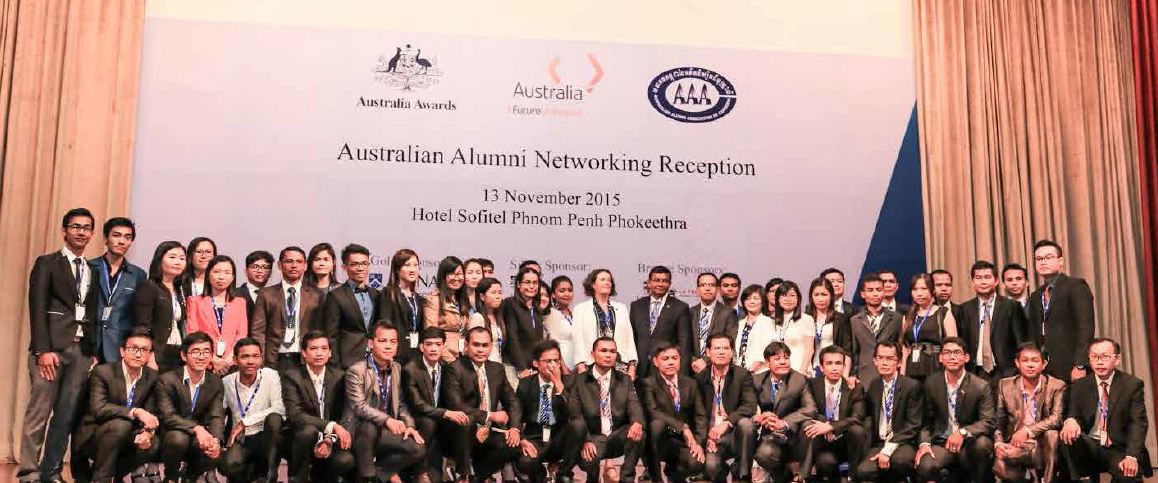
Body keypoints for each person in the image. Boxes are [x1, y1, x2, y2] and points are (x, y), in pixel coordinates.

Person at [70, 326, 160, 482]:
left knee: (153, 443)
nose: (138, 354)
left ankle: (115, 476)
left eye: (144, 350)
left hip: (127, 433)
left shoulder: (152, 377)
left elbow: (150, 411)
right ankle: (101, 479)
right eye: (133, 348)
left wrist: (147, 432)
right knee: (121, 426)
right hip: (95, 433)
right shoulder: (103, 372)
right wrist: (135, 412)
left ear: (150, 355)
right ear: (122, 351)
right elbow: (99, 409)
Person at [1060, 337, 1151, 482]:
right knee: (1069, 434)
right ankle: (1083, 477)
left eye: (1105, 357)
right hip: (1089, 446)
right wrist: (1070, 420)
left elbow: (1138, 423)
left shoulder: (1131, 385)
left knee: (1128, 477)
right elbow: (1073, 413)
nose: (1099, 362)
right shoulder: (1079, 386)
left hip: (1117, 448)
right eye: (1094, 357)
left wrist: (1131, 456)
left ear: (1117, 359)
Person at [347, 323, 428, 482]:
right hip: (360, 429)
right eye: (383, 341)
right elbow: (359, 406)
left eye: (393, 341)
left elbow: (401, 403)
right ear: (371, 343)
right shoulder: (356, 370)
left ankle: (378, 473)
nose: (388, 346)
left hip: (386, 430)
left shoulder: (397, 368)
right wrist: (387, 420)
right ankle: (368, 478)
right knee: (369, 428)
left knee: (417, 448)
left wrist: (410, 426)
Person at [913, 337, 995, 483]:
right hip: (942, 442)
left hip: (969, 444)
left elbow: (988, 421)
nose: (952, 357)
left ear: (966, 357)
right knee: (925, 466)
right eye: (947, 352)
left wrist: (963, 433)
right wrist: (924, 443)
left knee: (983, 445)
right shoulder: (931, 383)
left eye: (957, 352)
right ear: (940, 358)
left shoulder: (980, 386)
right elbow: (925, 421)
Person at [444, 326, 522, 482]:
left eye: (485, 345)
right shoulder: (454, 369)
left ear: (491, 347)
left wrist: (514, 428)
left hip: (487, 431)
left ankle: (478, 474)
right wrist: (490, 415)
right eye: (476, 345)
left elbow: (513, 401)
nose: (481, 350)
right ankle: (463, 474)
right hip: (460, 433)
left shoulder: (497, 369)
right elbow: (456, 406)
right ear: (466, 346)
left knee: (515, 446)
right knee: (465, 421)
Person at [282, 330, 356, 482]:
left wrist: (329, 439)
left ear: (330, 353)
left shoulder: (339, 376)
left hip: (330, 439)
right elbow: (296, 415)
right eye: (313, 348)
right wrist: (330, 426)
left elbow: (343, 414)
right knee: (308, 432)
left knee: (346, 461)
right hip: (301, 440)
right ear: (304, 353)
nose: (319, 353)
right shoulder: (292, 376)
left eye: (324, 348)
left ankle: (321, 476)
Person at [155, 332, 225, 483]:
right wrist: (197, 428)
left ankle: (190, 477)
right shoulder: (167, 380)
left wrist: (216, 441)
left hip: (199, 437)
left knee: (214, 449)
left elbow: (216, 415)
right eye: (195, 352)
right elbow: (168, 416)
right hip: (172, 433)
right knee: (178, 439)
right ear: (184, 355)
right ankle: (171, 478)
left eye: (206, 352)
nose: (201, 356)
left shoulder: (215, 382)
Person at [403, 327, 471, 482]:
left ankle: (463, 474)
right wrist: (446, 413)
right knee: (429, 422)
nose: (434, 349)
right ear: (421, 347)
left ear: (443, 347)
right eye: (429, 344)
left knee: (462, 422)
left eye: (438, 344)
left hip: (440, 424)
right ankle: (420, 471)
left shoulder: (446, 368)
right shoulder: (410, 369)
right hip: (420, 422)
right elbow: (418, 405)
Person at [574, 338, 645, 483]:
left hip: (617, 434)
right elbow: (575, 415)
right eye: (603, 351)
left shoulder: (624, 379)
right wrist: (585, 440)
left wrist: (637, 422)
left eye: (612, 351)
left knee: (639, 434)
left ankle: (627, 479)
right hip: (593, 437)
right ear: (592, 354)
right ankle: (593, 479)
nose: (608, 355)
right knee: (589, 458)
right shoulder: (579, 381)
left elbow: (634, 405)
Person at [993, 342, 1065, 483]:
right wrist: (999, 444)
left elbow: (1056, 419)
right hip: (1016, 443)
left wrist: (1028, 431)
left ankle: (1047, 480)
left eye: (1035, 360)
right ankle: (1027, 478)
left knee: (1052, 434)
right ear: (1017, 363)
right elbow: (999, 421)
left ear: (1044, 364)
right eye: (1025, 360)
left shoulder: (1057, 385)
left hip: (1043, 444)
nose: (1030, 365)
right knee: (998, 466)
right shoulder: (1005, 385)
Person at [514, 340, 585, 483]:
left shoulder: (570, 382)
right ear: (536, 363)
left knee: (579, 425)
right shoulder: (525, 384)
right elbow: (516, 414)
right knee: (525, 462)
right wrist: (521, 439)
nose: (553, 365)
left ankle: (562, 472)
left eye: (556, 361)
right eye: (548, 361)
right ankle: (542, 475)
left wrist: (558, 384)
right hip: (536, 437)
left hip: (559, 437)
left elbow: (575, 413)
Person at [1027, 239, 1095, 382]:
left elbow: (1086, 328)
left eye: (1048, 257)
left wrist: (1080, 365)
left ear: (1061, 261)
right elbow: (1034, 333)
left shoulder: (1076, 286)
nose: (1043, 262)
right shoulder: (1036, 295)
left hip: (1071, 366)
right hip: (1045, 368)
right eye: (1039, 259)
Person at [219, 337, 287, 483]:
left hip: (266, 437)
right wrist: (218, 440)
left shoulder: (270, 376)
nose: (251, 361)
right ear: (235, 360)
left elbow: (280, 408)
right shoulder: (227, 382)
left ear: (261, 358)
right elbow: (219, 414)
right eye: (245, 356)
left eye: (255, 356)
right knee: (226, 465)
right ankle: (250, 475)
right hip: (242, 439)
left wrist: (245, 422)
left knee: (275, 418)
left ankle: (270, 477)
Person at [854, 341, 921, 483]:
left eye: (889, 358)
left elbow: (913, 425)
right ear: (875, 361)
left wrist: (888, 449)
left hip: (902, 442)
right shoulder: (874, 385)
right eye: (880, 358)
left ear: (899, 362)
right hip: (880, 442)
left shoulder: (911, 386)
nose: (884, 363)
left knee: (899, 462)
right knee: (863, 472)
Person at [639, 342, 707, 482]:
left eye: (674, 358)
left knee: (696, 463)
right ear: (655, 362)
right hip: (659, 441)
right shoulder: (648, 384)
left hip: (681, 442)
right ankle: (655, 477)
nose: (671, 362)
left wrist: (698, 444)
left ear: (680, 360)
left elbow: (700, 415)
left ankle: (675, 474)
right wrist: (683, 428)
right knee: (657, 425)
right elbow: (653, 412)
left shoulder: (690, 383)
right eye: (665, 359)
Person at [800, 345, 867, 483]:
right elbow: (810, 410)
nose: (835, 368)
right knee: (825, 461)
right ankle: (804, 476)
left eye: (838, 363)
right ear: (822, 367)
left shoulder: (854, 387)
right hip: (822, 442)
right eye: (829, 363)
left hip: (846, 441)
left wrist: (832, 426)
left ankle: (853, 477)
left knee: (857, 430)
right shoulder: (812, 385)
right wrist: (825, 424)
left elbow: (858, 417)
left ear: (844, 366)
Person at [695, 333, 757, 483]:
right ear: (708, 352)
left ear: (731, 352)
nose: (721, 352)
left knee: (746, 424)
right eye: (717, 348)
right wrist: (704, 438)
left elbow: (749, 406)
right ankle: (721, 472)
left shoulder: (742, 375)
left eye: (726, 348)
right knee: (711, 466)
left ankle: (742, 476)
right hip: (711, 437)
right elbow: (695, 414)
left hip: (734, 434)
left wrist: (727, 423)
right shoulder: (700, 378)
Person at [752, 341, 817, 483]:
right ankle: (785, 474)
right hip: (770, 437)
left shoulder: (799, 379)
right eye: (777, 358)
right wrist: (760, 417)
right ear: (767, 363)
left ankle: (803, 476)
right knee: (764, 454)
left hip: (794, 436)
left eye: (786, 358)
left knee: (809, 424)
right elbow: (747, 407)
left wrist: (785, 423)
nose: (783, 362)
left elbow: (810, 408)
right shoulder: (757, 380)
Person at [252, 246, 323, 371]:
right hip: (274, 358)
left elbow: (321, 331)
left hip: (305, 358)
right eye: (289, 261)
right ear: (279, 265)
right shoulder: (266, 294)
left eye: (299, 261)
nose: (294, 265)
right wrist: (260, 360)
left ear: (305, 266)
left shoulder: (316, 295)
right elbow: (258, 332)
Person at [90, 217, 148, 363]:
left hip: (118, 346)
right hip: (88, 344)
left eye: (127, 237)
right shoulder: (89, 267)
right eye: (116, 235)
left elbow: (137, 314)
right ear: (106, 239)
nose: (122, 241)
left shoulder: (138, 275)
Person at [959, 260, 1027, 380]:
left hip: (1006, 372)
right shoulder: (965, 309)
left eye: (987, 277)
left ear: (996, 281)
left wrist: (1018, 369)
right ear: (973, 282)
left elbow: (1021, 342)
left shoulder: (1011, 306)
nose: (983, 282)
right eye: (978, 278)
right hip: (974, 372)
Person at [186, 255, 248, 375]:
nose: (221, 277)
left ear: (233, 277)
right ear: (208, 275)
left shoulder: (240, 302)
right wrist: (212, 359)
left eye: (227, 272)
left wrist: (228, 361)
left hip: (232, 364)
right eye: (216, 272)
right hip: (203, 362)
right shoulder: (194, 301)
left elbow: (241, 335)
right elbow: (193, 334)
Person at [571, 269, 638, 377]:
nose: (607, 282)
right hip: (590, 365)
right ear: (593, 285)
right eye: (602, 279)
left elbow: (629, 338)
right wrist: (580, 365)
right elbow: (577, 339)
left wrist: (632, 365)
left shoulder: (621, 308)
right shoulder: (581, 309)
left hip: (619, 366)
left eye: (609, 280)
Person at [135, 241, 188, 372]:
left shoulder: (180, 290)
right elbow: (142, 325)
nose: (178, 262)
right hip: (158, 352)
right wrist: (149, 355)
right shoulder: (149, 287)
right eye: (172, 257)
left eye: (182, 259)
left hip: (178, 352)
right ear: (160, 260)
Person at [324, 244, 379, 369]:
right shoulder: (336, 296)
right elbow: (331, 335)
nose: (360, 268)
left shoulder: (376, 294)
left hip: (375, 362)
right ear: (344, 267)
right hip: (348, 362)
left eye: (364, 263)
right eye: (355, 264)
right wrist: (335, 365)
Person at [629, 266, 691, 379]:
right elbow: (631, 339)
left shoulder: (680, 307)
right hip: (640, 369)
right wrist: (631, 366)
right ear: (649, 283)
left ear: (670, 284)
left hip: (666, 369)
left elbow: (684, 343)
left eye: (665, 281)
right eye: (657, 280)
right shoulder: (637, 306)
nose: (660, 284)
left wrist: (682, 374)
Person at [849, 273, 904, 384]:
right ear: (863, 294)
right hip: (864, 376)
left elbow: (901, 348)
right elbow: (854, 351)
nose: (875, 294)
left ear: (883, 292)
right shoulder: (854, 320)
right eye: (870, 290)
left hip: (891, 375)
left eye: (878, 290)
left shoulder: (896, 318)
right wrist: (853, 374)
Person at [900, 273, 956, 383]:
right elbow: (904, 349)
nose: (919, 293)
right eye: (915, 289)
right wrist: (902, 376)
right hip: (912, 366)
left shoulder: (943, 313)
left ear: (932, 290)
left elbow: (953, 345)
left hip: (935, 365)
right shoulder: (908, 316)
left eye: (924, 289)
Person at [373, 248, 425, 364]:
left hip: (416, 356)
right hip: (395, 356)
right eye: (407, 265)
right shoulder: (388, 294)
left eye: (415, 265)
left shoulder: (419, 299)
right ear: (397, 269)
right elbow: (384, 327)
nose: (412, 269)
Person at [468, 278, 520, 387]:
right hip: (483, 369)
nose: (498, 296)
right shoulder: (478, 318)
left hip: (498, 367)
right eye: (493, 293)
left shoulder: (499, 318)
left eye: (500, 293)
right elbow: (472, 349)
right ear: (482, 296)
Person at [687, 272, 739, 375]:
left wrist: (705, 361)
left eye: (711, 285)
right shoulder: (689, 313)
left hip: (718, 369)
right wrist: (694, 361)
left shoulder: (728, 313)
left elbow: (730, 341)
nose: (707, 288)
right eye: (703, 285)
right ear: (697, 290)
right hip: (692, 369)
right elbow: (684, 342)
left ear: (718, 289)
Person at [806, 277, 853, 378]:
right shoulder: (805, 318)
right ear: (811, 296)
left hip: (833, 369)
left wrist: (845, 376)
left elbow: (846, 350)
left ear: (831, 296)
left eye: (824, 294)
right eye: (816, 295)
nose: (820, 299)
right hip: (809, 370)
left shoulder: (840, 319)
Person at [502, 267, 545, 377]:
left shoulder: (538, 309)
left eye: (535, 283)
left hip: (534, 368)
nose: (531, 286)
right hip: (515, 367)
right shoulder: (510, 304)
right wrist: (522, 368)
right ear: (518, 285)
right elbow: (512, 339)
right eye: (527, 282)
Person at [426, 256, 469, 362]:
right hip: (445, 359)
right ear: (443, 276)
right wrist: (450, 361)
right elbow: (432, 334)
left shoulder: (463, 299)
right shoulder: (434, 300)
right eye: (452, 274)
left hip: (464, 357)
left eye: (459, 274)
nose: (456, 278)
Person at [770, 281, 817, 375]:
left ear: (798, 299)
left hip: (799, 370)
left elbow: (809, 350)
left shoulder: (806, 319)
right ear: (778, 299)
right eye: (784, 295)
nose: (788, 299)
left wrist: (802, 371)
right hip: (777, 371)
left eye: (792, 295)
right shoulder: (771, 321)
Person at [733, 285, 775, 373]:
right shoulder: (740, 324)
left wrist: (752, 369)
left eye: (756, 298)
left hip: (760, 372)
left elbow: (768, 349)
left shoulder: (768, 322)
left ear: (763, 301)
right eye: (748, 299)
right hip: (739, 371)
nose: (752, 302)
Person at [543, 276, 577, 370]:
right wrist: (563, 367)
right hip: (559, 364)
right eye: (562, 291)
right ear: (553, 294)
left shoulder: (575, 313)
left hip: (577, 362)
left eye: (570, 290)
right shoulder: (550, 314)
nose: (567, 294)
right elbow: (552, 343)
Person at [238, 250, 274, 321]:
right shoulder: (234, 295)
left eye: (265, 267)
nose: (259, 271)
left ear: (270, 273)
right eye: (255, 267)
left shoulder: (276, 296)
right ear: (246, 271)